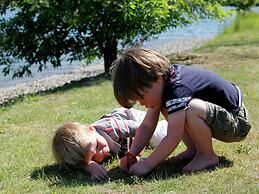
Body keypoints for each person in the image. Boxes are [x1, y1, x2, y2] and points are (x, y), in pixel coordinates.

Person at [111, 47, 251, 176]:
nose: (141, 103)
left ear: (156, 78)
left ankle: (206, 155)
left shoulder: (178, 89)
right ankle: (194, 150)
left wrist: (147, 165)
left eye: (141, 96)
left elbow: (173, 136)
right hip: (222, 117)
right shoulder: (164, 84)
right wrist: (132, 154)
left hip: (237, 122)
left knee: (190, 108)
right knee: (170, 107)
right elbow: (147, 125)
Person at [52, 107, 167, 180]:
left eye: (97, 146)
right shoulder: (85, 146)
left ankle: (175, 122)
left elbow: (141, 130)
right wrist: (89, 166)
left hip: (134, 120)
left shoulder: (111, 128)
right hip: (127, 137)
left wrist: (133, 155)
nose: (100, 153)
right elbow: (76, 164)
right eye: (93, 157)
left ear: (91, 129)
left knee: (159, 137)